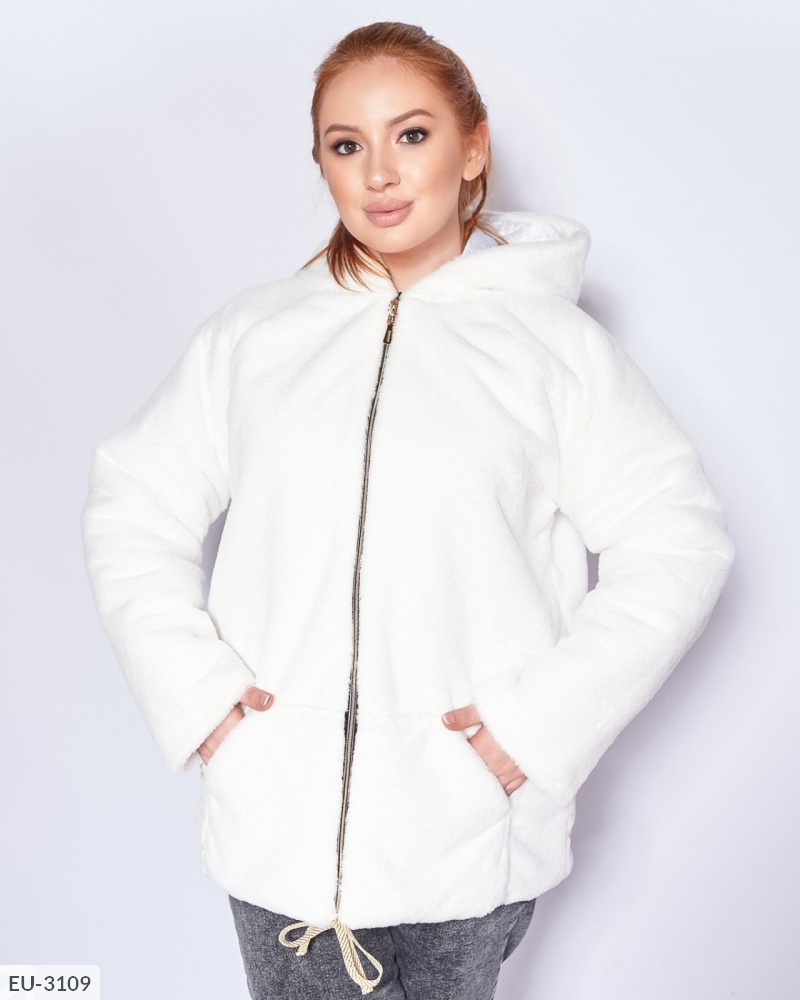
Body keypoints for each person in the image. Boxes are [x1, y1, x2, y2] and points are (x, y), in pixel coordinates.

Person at [80, 21, 736, 1000]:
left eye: (413, 135)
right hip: (277, 834)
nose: (380, 173)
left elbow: (677, 543)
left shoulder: (553, 351)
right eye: (346, 144)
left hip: (464, 836)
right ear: (321, 164)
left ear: (472, 148)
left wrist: (533, 730)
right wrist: (201, 702)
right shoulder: (251, 340)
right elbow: (133, 504)